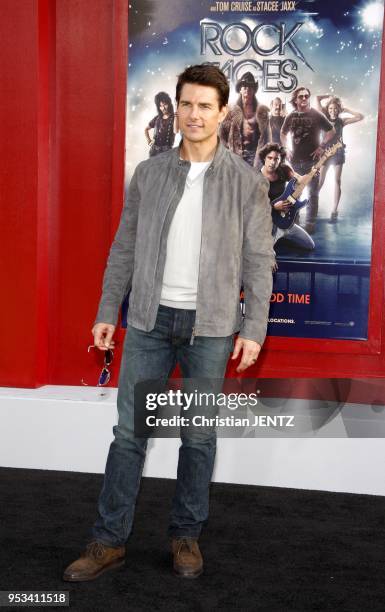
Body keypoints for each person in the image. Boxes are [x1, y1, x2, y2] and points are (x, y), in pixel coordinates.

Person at [63, 64, 275, 582]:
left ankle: (185, 536)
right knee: (128, 436)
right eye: (187, 104)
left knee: (198, 438)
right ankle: (109, 541)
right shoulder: (150, 173)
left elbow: (259, 261)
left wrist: (253, 330)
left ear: (223, 112)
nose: (194, 114)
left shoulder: (247, 183)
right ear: (176, 108)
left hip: (213, 326)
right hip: (149, 323)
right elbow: (125, 247)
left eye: (205, 105)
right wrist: (105, 311)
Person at [280, 87, 336, 234]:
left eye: (306, 96)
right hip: (295, 161)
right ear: (296, 99)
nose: (304, 99)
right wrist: (286, 148)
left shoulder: (316, 115)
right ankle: (295, 221)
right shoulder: (291, 116)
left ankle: (310, 223)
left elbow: (331, 131)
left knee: (312, 193)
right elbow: (283, 133)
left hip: (313, 161)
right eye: (301, 97)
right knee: (294, 193)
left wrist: (322, 146)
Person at [316, 95, 364, 223]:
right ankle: (311, 206)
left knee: (337, 181)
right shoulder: (323, 118)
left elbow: (360, 117)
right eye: (331, 108)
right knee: (320, 182)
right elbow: (317, 99)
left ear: (338, 110)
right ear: (328, 109)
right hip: (325, 153)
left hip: (338, 152)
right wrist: (327, 96)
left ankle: (334, 211)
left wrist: (347, 109)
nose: (333, 111)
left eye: (336, 108)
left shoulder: (341, 122)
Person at [259, 143, 315, 251]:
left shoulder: (284, 169)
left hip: (286, 221)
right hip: (268, 223)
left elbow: (300, 180)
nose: (272, 162)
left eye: (276, 159)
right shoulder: (256, 178)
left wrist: (311, 174)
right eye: (269, 158)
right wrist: (274, 207)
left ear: (280, 160)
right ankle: (271, 240)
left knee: (310, 245)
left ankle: (282, 237)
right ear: (264, 158)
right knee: (265, 253)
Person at [220, 71, 271, 167]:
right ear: (240, 89)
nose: (247, 89)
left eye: (250, 87)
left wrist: (264, 161)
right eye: (244, 87)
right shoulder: (230, 111)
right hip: (235, 157)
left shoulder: (262, 112)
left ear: (254, 90)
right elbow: (222, 135)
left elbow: (267, 138)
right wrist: (227, 154)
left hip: (256, 157)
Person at [144, 91, 176, 157]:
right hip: (154, 150)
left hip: (167, 151)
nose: (163, 108)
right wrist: (149, 141)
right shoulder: (157, 118)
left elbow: (176, 131)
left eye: (165, 105)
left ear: (169, 104)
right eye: (161, 106)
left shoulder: (174, 118)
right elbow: (146, 129)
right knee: (152, 167)